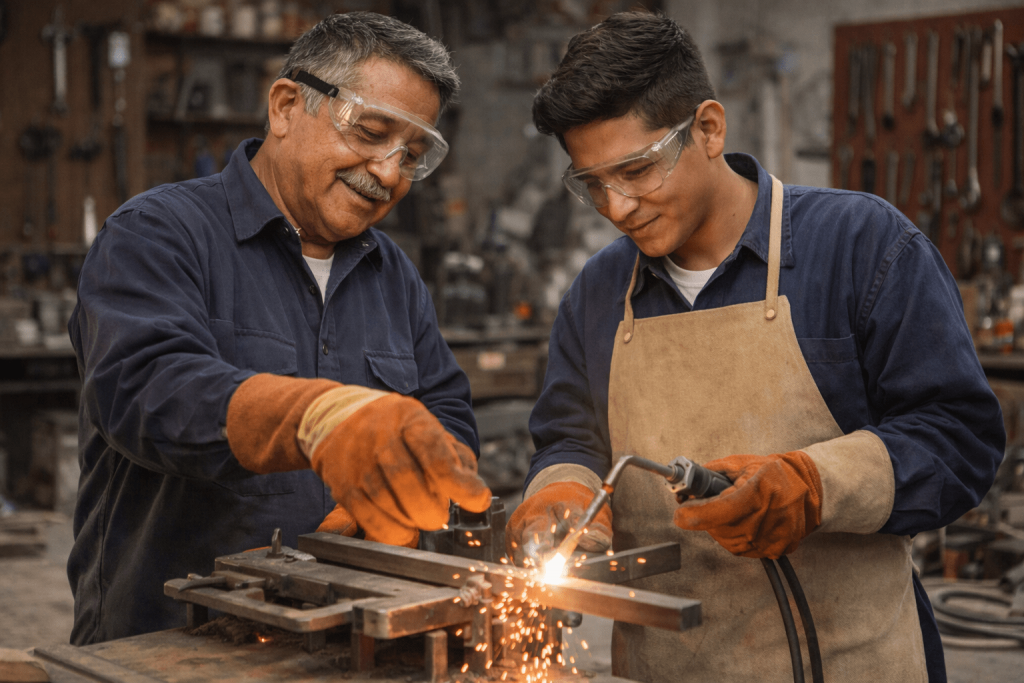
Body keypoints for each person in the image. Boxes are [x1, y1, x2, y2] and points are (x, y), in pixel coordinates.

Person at [506, 11, 1004, 683]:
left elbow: (959, 438)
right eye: (592, 181)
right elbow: (571, 436)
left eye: (636, 169)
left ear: (708, 128)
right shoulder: (598, 293)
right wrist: (560, 491)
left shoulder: (863, 247)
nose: (617, 206)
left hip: (849, 660)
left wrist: (815, 485)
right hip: (667, 664)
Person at [68, 12, 491, 645]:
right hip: (171, 642)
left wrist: (404, 499)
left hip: (341, 643)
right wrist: (315, 417)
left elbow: (447, 413)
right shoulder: (158, 234)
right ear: (287, 106)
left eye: (412, 154)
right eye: (371, 133)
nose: (387, 172)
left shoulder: (392, 274)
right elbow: (142, 389)